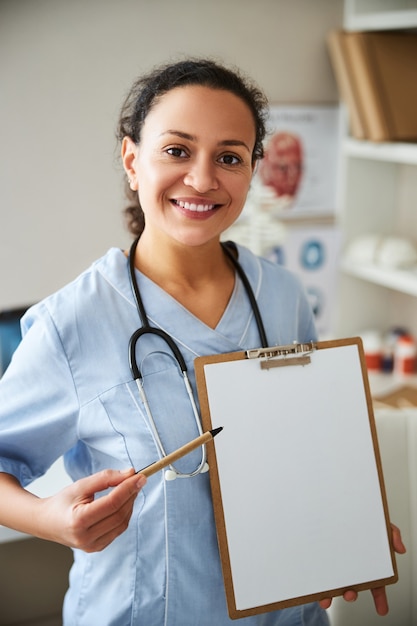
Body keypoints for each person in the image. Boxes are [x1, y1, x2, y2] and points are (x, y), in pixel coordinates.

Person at [0, 58, 405, 626]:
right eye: (176, 150)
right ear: (131, 159)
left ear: (252, 172)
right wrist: (47, 518)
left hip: (286, 614)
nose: (202, 178)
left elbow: (314, 444)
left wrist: (349, 521)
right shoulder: (73, 322)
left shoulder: (282, 294)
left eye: (230, 157)